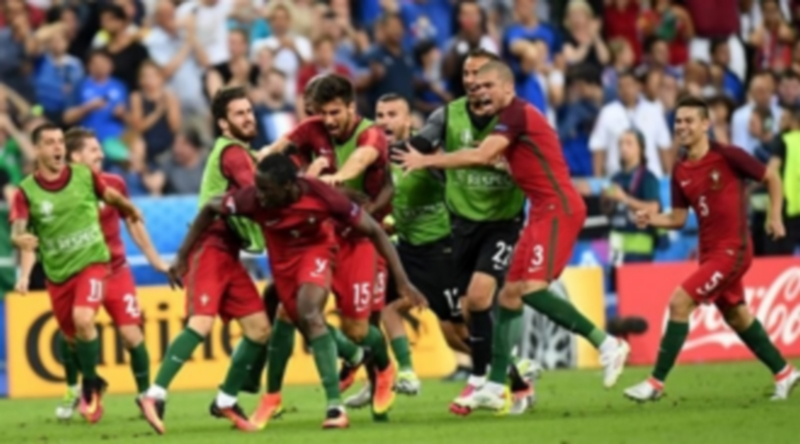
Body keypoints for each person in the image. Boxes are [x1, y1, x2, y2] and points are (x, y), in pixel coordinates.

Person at [395, 61, 631, 413]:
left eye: (489, 84)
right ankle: (494, 384)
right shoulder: (510, 121)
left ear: (508, 88)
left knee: (531, 289)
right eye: (478, 84)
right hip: (539, 211)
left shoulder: (517, 113)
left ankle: (607, 343)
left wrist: (427, 161)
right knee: (508, 296)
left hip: (558, 209)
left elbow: (482, 154)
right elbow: (498, 159)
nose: (482, 90)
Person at [183, 153, 424, 428]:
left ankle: (339, 404)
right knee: (294, 315)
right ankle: (290, 388)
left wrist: (403, 281)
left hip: (317, 251)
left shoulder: (321, 195)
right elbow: (209, 209)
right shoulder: (251, 198)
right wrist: (182, 256)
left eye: (265, 189)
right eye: (258, 187)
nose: (259, 195)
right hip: (283, 262)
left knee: (311, 313)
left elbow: (375, 231)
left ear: (288, 186)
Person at [623, 96, 799, 401]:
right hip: (709, 252)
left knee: (679, 303)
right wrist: (651, 218)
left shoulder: (728, 155)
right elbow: (678, 219)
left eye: (689, 121)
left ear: (706, 124)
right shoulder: (680, 170)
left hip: (733, 250)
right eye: (678, 121)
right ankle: (785, 373)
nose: (682, 127)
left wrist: (774, 216)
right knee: (736, 315)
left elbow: (771, 177)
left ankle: (655, 383)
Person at [257, 74, 400, 419]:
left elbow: (361, 160)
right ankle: (272, 396)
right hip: (322, 237)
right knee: (288, 312)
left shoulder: (372, 134)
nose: (330, 120)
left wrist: (334, 178)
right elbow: (277, 147)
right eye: (324, 113)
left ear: (352, 107)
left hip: (362, 237)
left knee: (359, 329)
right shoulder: (311, 128)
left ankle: (383, 369)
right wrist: (267, 155)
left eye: (336, 112)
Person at [407, 48, 535, 413]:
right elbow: (417, 148)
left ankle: (481, 381)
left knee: (479, 298)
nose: (471, 80)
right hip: (461, 224)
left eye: (479, 73)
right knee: (465, 313)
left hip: (502, 223)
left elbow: (534, 161)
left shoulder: (513, 118)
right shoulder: (447, 115)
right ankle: (517, 380)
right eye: (466, 73)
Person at [137, 87, 271, 435]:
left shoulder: (243, 152)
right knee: (201, 323)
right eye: (240, 113)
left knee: (259, 329)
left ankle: (225, 399)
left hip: (230, 251)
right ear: (224, 124)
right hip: (210, 245)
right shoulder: (232, 153)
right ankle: (154, 394)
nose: (249, 117)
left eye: (250, 110)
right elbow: (261, 195)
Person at [10, 123, 142, 424]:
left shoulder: (83, 175)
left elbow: (109, 195)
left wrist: (129, 208)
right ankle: (92, 381)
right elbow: (20, 229)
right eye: (49, 142)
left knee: (84, 318)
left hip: (93, 262)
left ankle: (90, 388)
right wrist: (19, 243)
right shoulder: (26, 191)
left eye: (60, 142)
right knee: (71, 340)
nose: (57, 147)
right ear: (37, 150)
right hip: (58, 273)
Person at [42, 127, 169, 420]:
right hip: (78, 272)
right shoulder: (57, 191)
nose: (101, 154)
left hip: (115, 271)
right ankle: (81, 387)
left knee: (131, 334)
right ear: (75, 156)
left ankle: (145, 396)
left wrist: (155, 260)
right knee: (73, 334)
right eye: (94, 149)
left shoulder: (114, 184)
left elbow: (133, 221)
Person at [344, 93, 456, 408]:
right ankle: (392, 374)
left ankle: (511, 372)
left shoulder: (427, 153)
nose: (384, 120)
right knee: (382, 308)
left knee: (457, 334)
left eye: (393, 114)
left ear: (408, 121)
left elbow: (454, 186)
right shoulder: (379, 160)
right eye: (379, 114)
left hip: (441, 251)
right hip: (406, 249)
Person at [601, 130, 662, 265]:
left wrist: (624, 199)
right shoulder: (615, 178)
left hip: (639, 253)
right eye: (621, 143)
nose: (623, 147)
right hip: (616, 253)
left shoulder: (648, 178)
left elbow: (653, 209)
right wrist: (605, 201)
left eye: (629, 143)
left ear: (640, 148)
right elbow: (608, 213)